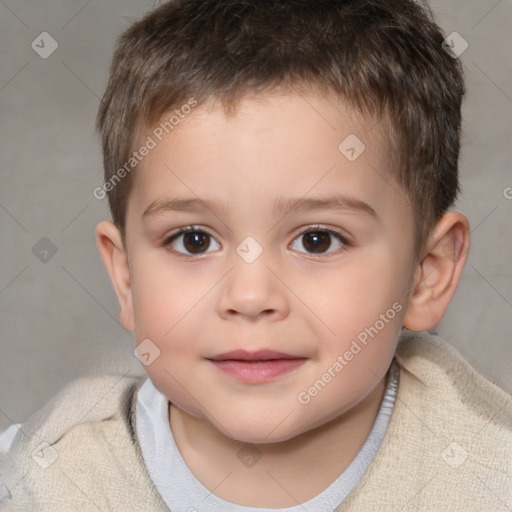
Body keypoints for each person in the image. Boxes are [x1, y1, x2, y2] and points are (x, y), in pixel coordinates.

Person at [1, 0, 511, 510]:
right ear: (127, 276)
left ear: (427, 275)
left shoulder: (485, 477)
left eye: (317, 240)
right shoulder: (48, 476)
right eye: (193, 240)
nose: (249, 296)